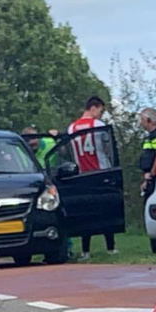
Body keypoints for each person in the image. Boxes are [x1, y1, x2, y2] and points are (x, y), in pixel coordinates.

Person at [67, 97, 116, 258]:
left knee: (86, 213)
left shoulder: (71, 128)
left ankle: (85, 251)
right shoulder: (99, 126)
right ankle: (110, 247)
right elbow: (107, 148)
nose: (100, 115)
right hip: (101, 172)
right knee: (106, 211)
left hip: (82, 173)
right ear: (93, 108)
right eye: (100, 111)